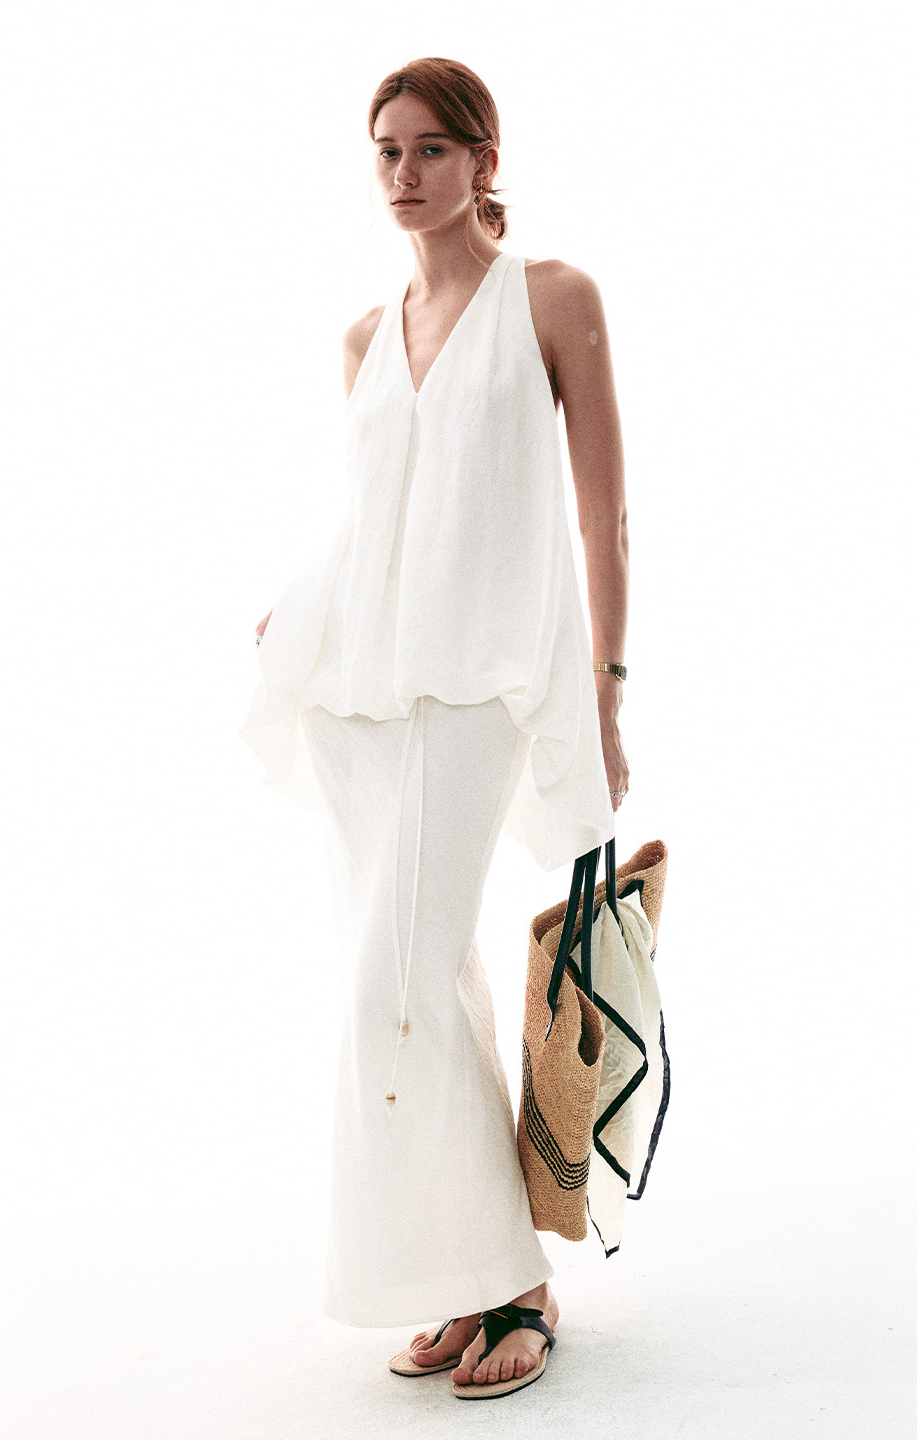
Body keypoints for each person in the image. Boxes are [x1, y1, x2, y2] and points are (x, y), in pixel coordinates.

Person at [237, 56, 630, 1400]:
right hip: (363, 692)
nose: (403, 175)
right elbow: (378, 521)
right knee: (420, 981)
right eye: (386, 152)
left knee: (391, 984)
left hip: (483, 689)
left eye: (430, 150)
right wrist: (299, 612)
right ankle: (471, 1278)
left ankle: (515, 1282)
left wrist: (608, 689)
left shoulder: (555, 300)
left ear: (484, 160)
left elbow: (602, 514)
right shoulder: (364, 337)